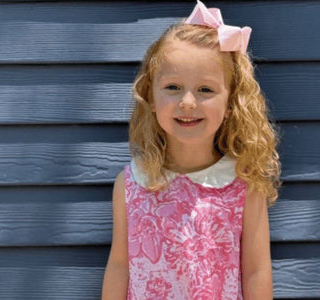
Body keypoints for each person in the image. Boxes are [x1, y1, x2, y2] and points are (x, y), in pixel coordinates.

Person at [102, 1, 281, 299]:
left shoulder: (243, 184)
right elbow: (120, 266)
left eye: (205, 90)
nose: (187, 102)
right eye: (173, 87)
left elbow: (256, 271)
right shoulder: (132, 183)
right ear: (151, 94)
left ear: (231, 103)